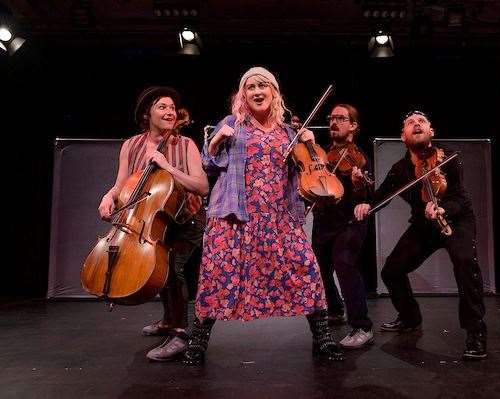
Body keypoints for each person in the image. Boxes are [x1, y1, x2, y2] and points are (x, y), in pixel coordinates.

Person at [183, 66, 344, 365]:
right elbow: (207, 165)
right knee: (218, 276)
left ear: (274, 92)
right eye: (250, 87)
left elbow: (310, 170)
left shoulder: (289, 133)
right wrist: (217, 141)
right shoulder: (232, 124)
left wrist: (308, 142)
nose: (257, 92)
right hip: (234, 215)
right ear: (243, 94)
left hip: (280, 215)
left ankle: (322, 338)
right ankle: (198, 341)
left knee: (305, 269)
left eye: (263, 86)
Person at [354, 110, 487, 360]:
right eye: (410, 123)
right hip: (424, 226)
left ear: (431, 132)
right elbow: (381, 196)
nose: (416, 125)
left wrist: (442, 206)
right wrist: (366, 204)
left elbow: (458, 196)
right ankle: (409, 317)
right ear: (403, 136)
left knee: (466, 263)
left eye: (422, 122)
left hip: (456, 220)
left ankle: (476, 332)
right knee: (391, 270)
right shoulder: (401, 169)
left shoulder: (448, 157)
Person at [97, 86, 209, 361]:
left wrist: (168, 167)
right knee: (158, 269)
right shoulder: (131, 145)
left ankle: (181, 333)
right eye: (163, 107)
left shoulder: (185, 145)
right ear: (147, 113)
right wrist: (109, 196)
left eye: (172, 108)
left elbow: (202, 186)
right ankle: (169, 320)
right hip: (150, 219)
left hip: (187, 219)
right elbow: (121, 183)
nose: (170, 112)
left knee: (173, 268)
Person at [311, 104, 374, 349]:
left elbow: (366, 193)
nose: (333, 122)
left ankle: (362, 326)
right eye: (331, 118)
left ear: (353, 126)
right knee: (320, 268)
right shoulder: (322, 154)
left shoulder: (360, 158)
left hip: (349, 222)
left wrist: (359, 185)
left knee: (344, 264)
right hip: (325, 220)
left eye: (341, 118)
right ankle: (335, 309)